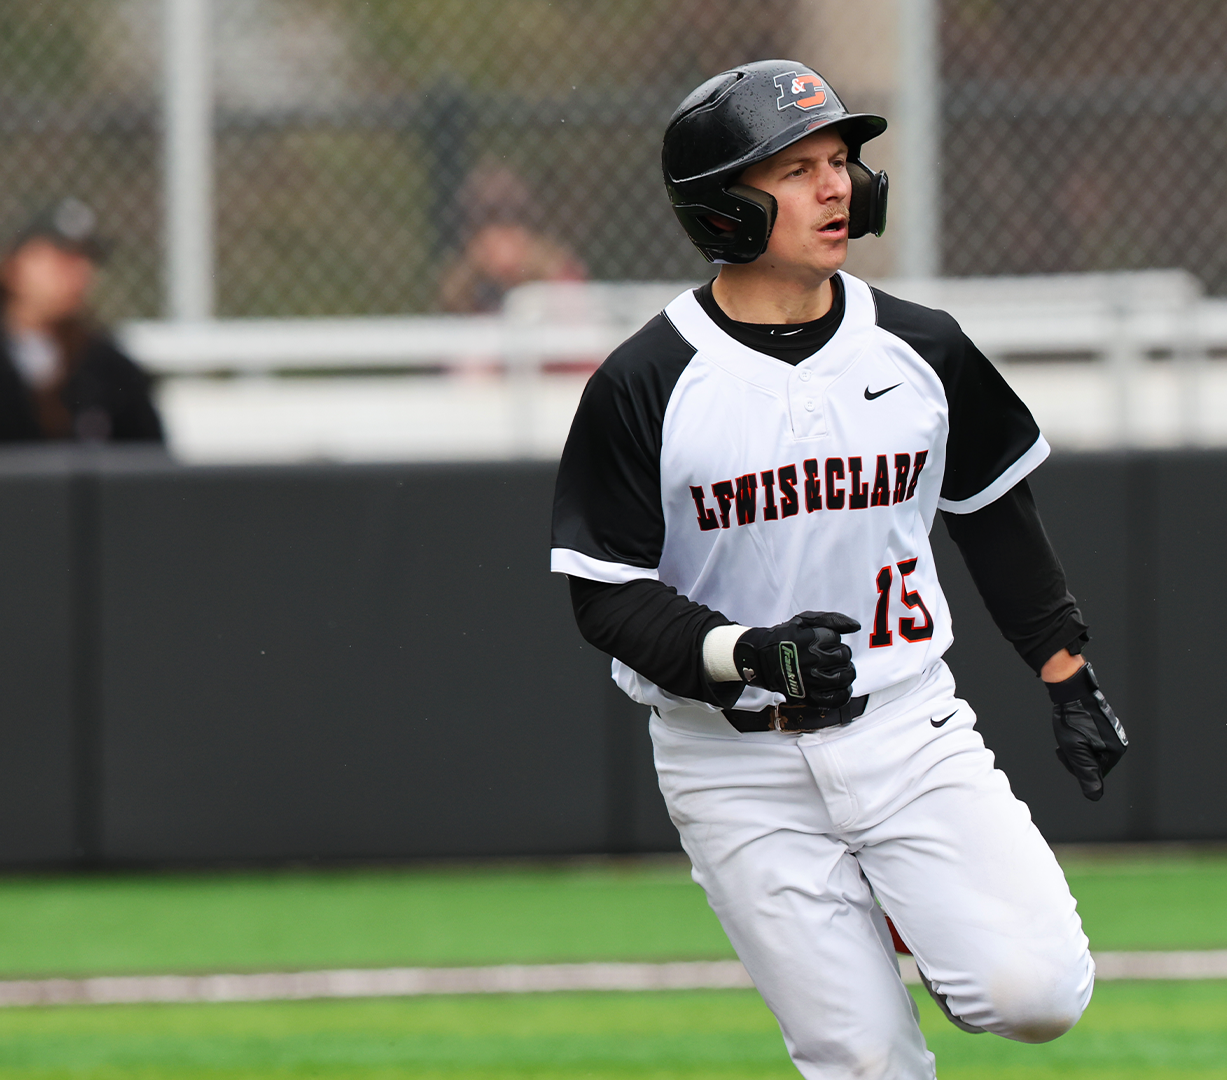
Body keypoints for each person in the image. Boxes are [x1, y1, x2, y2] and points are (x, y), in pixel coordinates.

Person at [549, 61, 1128, 1079]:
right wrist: (747, 654)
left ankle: (899, 909)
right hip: (734, 761)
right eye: (797, 170)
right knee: (862, 1063)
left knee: (1037, 997)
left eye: (840, 162)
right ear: (723, 206)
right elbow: (604, 594)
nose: (836, 187)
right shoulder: (647, 382)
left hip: (907, 727)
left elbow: (994, 517)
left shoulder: (921, 347)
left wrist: (1066, 674)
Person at [0, 198, 163, 444]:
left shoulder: (109, 370)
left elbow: (148, 464)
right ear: (15, 264)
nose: (81, 273)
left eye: (87, 260)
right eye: (63, 258)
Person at [436, 163, 586, 315]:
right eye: (493, 223)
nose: (503, 243)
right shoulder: (464, 275)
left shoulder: (552, 264)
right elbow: (450, 303)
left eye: (511, 223)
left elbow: (576, 308)